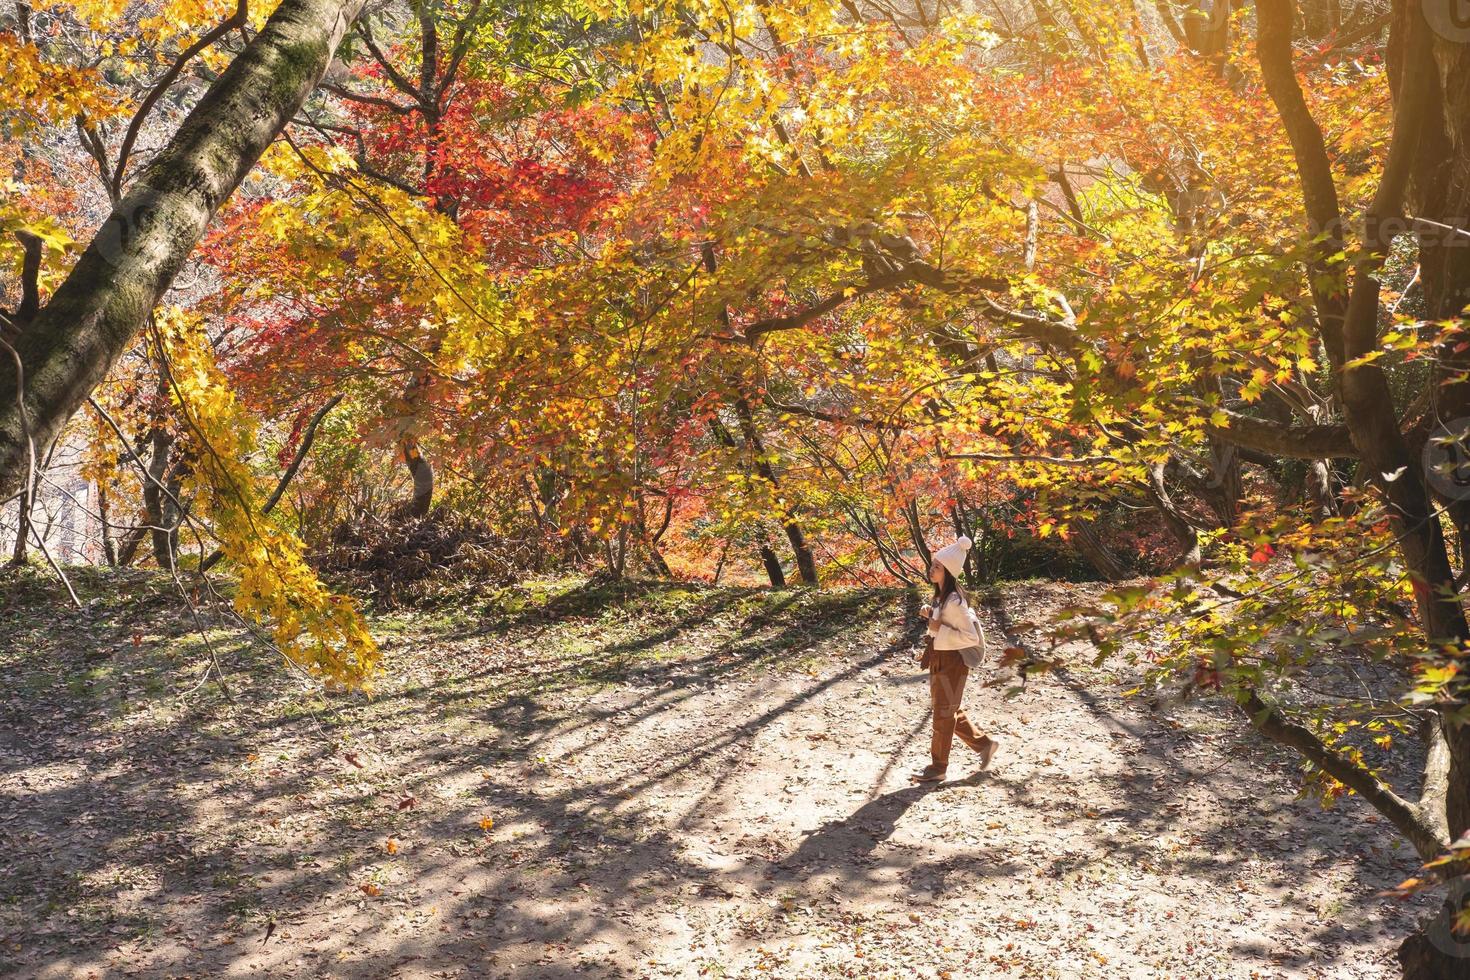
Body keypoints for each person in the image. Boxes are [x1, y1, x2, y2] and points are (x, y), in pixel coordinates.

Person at [912, 535, 996, 783]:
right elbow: (939, 626)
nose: (932, 569)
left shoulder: (955, 601)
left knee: (942, 714)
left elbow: (970, 637)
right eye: (933, 564)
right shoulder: (942, 597)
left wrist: (938, 627)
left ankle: (938, 767)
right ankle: (985, 746)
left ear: (948, 572)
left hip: (953, 664)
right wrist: (930, 615)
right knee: (947, 710)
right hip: (939, 659)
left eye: (937, 566)